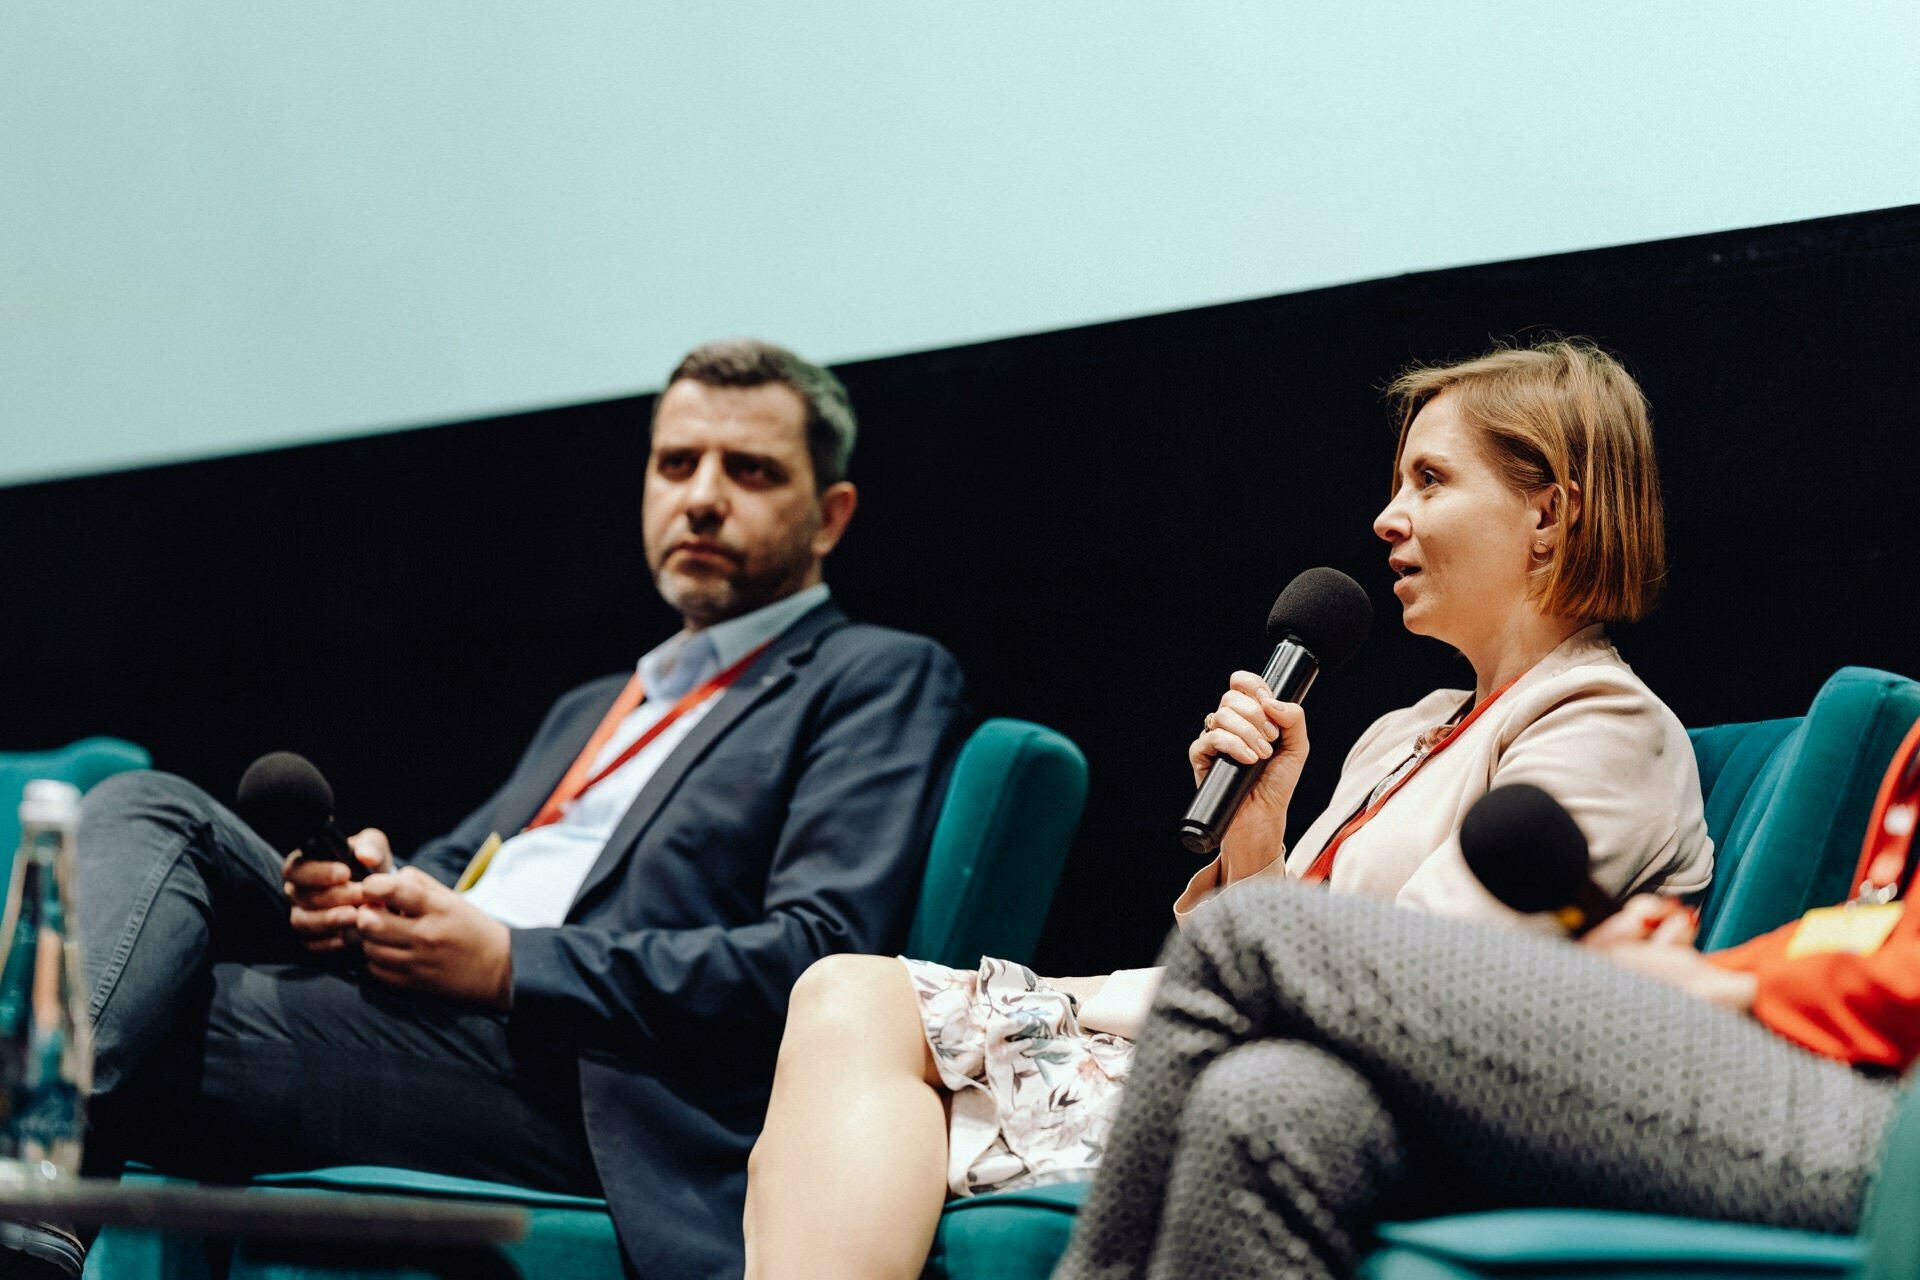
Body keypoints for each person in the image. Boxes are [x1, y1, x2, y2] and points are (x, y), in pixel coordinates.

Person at [741, 338, 1714, 1280]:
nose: (1386, 516)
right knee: (847, 1014)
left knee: (853, 1022)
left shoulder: (1601, 719)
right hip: (1258, 1042)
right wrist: (1259, 828)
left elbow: (1412, 984)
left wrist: (1087, 995)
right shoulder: (1407, 729)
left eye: (1429, 481)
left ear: (1549, 513)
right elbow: (1274, 944)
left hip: (1361, 1104)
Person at [59, 339, 968, 1280]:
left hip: (584, 1080)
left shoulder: (875, 676)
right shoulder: (601, 702)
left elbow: (817, 957)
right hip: (430, 1008)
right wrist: (376, 885)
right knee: (146, 805)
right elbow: (466, 868)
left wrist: (509, 964)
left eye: (750, 471)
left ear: (829, 517)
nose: (701, 496)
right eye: (675, 464)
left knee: (131, 1019)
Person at [1051, 786, 1920, 1280]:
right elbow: (1880, 939)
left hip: (1887, 1128)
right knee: (1268, 1103)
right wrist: (1716, 966)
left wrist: (1723, 983)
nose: (1387, 519)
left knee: (1247, 936)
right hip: (1821, 1063)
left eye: (1428, 482)